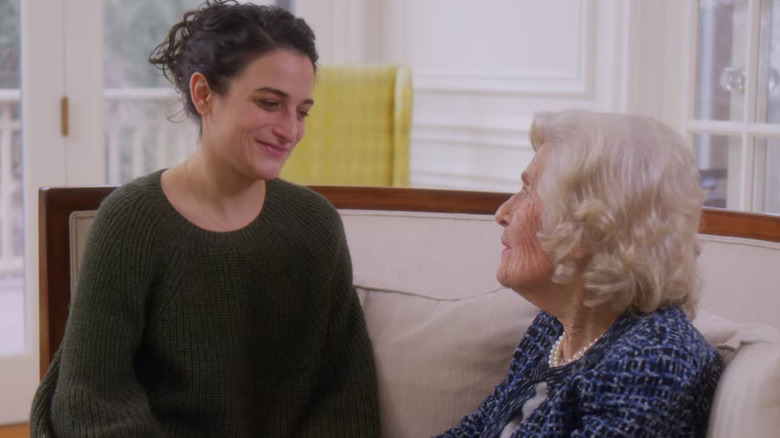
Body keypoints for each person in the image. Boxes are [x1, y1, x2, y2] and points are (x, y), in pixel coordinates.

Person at [29, 1, 379, 436]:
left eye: (302, 111)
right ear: (203, 94)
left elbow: (345, 396)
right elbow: (93, 397)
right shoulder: (131, 221)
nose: (290, 129)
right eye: (270, 103)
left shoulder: (315, 226)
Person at [435, 109, 723, 437]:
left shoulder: (655, 361)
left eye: (528, 191)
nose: (503, 212)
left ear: (591, 225)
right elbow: (475, 431)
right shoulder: (553, 330)